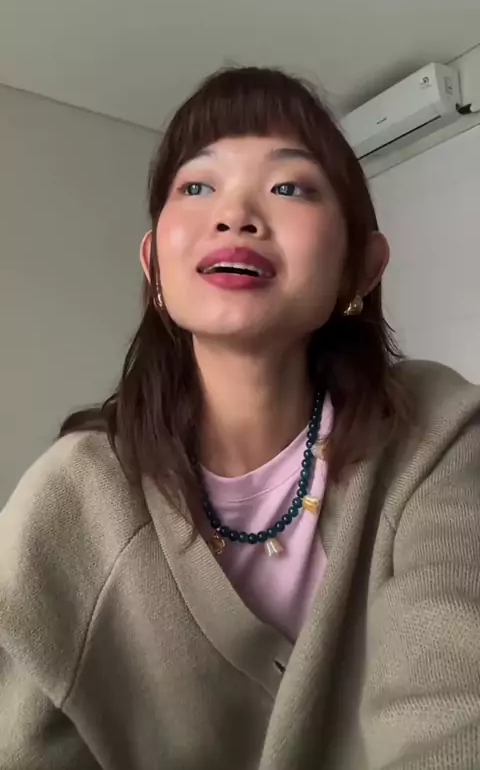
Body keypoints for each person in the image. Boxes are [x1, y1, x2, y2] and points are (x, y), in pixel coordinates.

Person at [1, 67, 480, 770]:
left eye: (289, 187)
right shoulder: (65, 502)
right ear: (153, 263)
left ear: (361, 267)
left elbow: (453, 715)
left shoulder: (436, 434)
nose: (236, 216)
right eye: (197, 186)